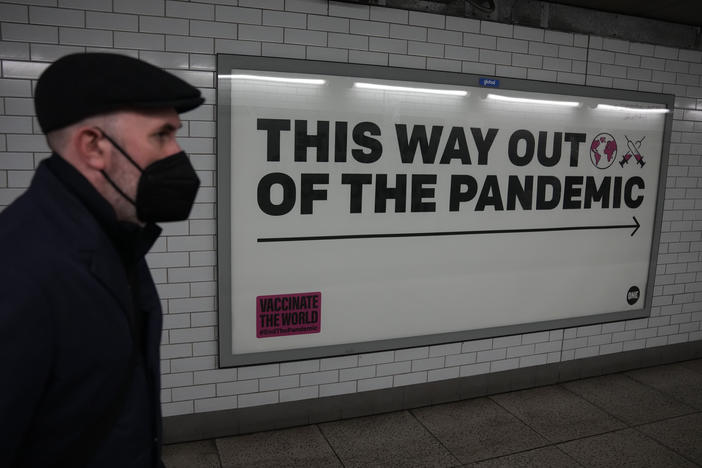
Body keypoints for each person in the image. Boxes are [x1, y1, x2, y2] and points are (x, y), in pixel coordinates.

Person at [0, 53, 204, 468]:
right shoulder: (18, 272)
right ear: (93, 146)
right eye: (162, 136)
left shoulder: (115, 236)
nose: (178, 154)